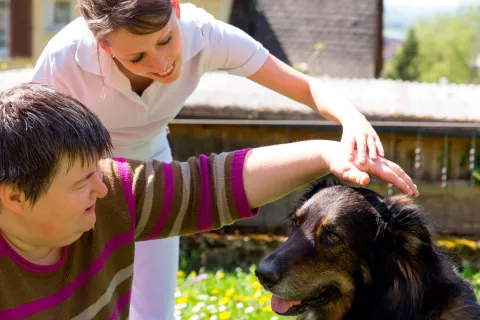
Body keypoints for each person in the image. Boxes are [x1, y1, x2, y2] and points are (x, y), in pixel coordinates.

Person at [32, 1, 387, 318]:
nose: (161, 63)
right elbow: (27, 146)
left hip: (155, 174)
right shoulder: (65, 58)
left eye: (164, 40)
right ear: (103, 46)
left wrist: (352, 119)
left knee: (155, 309)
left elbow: (305, 87)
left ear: (175, 8)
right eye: (137, 58)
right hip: (79, 180)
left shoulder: (205, 35)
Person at [0, 82, 416, 319]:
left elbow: (205, 185)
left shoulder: (112, 193)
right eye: (82, 182)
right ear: (15, 196)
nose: (104, 188)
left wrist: (326, 153)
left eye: (99, 169)